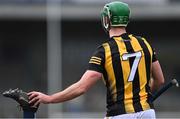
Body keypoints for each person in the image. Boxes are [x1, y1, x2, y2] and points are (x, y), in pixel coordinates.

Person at [28, 1, 165, 119]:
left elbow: (82, 87)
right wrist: (145, 97)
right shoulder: (144, 43)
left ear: (106, 20)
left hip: (119, 114)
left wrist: (50, 99)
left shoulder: (104, 50)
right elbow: (160, 80)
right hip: (147, 113)